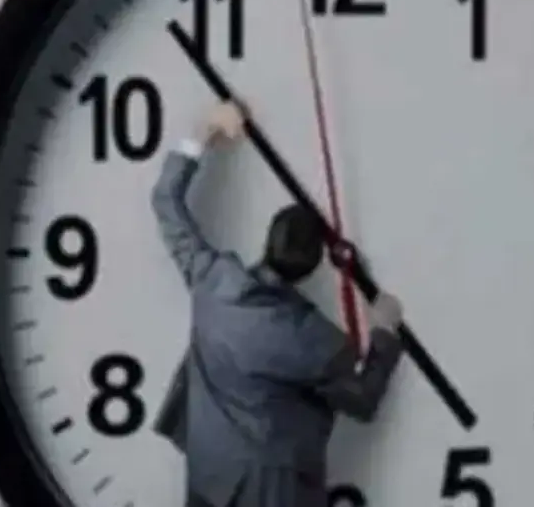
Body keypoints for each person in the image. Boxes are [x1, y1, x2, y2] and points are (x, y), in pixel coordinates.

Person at [150, 101, 405, 507]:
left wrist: (207, 129)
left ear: (269, 238)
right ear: (313, 266)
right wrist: (383, 333)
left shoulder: (212, 279)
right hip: (274, 491)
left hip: (210, 471)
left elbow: (166, 199)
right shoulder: (314, 340)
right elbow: (362, 400)